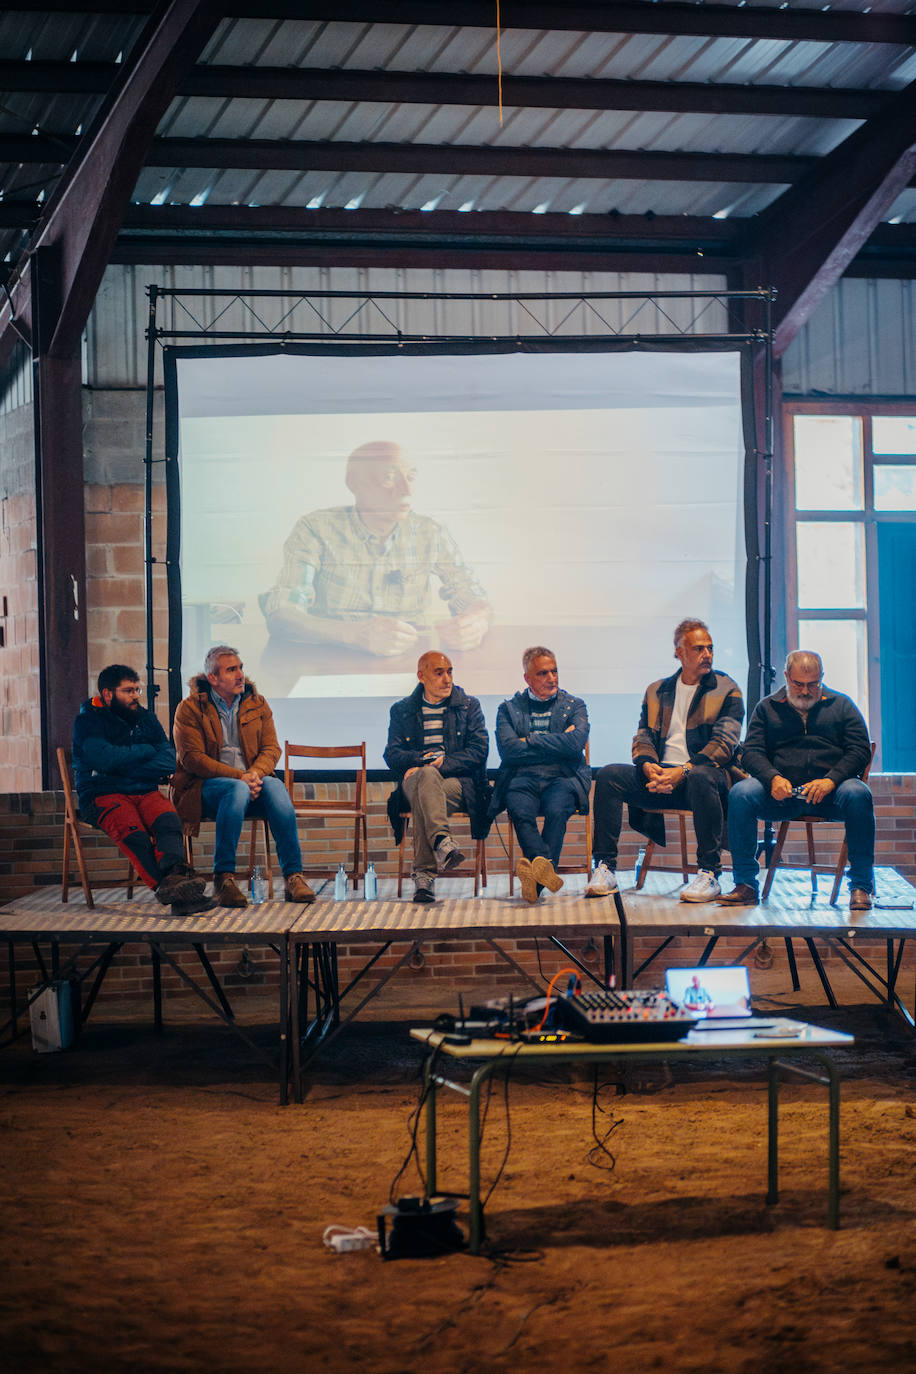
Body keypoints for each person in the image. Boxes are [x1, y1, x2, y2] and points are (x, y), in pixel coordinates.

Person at [260, 440, 491, 657]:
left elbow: (471, 592)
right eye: (389, 478)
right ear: (353, 483)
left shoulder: (431, 532)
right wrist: (354, 634)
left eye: (410, 477)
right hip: (331, 657)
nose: (406, 491)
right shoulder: (316, 529)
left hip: (409, 660)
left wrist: (477, 620)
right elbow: (282, 615)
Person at [585, 619, 744, 903]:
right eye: (698, 648)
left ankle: (709, 872)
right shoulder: (657, 690)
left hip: (703, 776)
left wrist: (682, 771)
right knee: (609, 775)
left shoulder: (726, 688)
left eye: (710, 648)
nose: (707, 654)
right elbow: (643, 735)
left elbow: (724, 744)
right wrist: (648, 767)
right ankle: (605, 867)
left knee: (700, 776)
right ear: (679, 652)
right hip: (660, 776)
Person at [718, 650, 875, 909]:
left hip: (830, 794)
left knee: (858, 793)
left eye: (813, 684)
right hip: (781, 794)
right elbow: (750, 752)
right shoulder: (767, 707)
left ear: (822, 678)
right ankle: (745, 884)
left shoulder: (842, 705)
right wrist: (772, 778)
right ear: (786, 677)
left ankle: (861, 887)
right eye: (798, 684)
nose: (805, 691)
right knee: (741, 793)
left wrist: (830, 781)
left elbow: (859, 750)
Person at [171, 646, 316, 908]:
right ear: (213, 678)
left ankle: (294, 877)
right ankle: (224, 878)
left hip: (252, 782)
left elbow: (271, 749)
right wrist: (241, 777)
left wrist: (253, 774)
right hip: (204, 788)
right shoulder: (190, 709)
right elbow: (193, 759)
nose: (240, 675)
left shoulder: (257, 703)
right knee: (235, 790)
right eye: (231, 670)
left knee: (276, 788)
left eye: (240, 668)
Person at [71, 665, 214, 915]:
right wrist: (145, 752)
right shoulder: (88, 721)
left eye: (136, 689)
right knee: (133, 832)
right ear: (107, 694)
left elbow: (168, 760)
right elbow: (103, 759)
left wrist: (122, 765)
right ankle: (169, 888)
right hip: (102, 793)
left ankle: (176, 879)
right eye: (128, 690)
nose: (136, 695)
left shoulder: (145, 717)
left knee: (169, 821)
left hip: (143, 791)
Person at [384, 651, 491, 903]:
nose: (447, 679)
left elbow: (479, 751)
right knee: (426, 778)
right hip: (413, 781)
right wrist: (421, 763)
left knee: (427, 788)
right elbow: (392, 753)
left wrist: (442, 764)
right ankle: (442, 840)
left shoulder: (468, 705)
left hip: (457, 783)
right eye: (439, 672)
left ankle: (424, 877)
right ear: (421, 676)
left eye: (450, 671)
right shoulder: (401, 710)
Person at [492, 646, 590, 904]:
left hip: (562, 776)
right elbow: (509, 750)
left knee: (558, 810)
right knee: (520, 811)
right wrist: (556, 742)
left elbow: (575, 743)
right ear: (528, 679)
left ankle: (535, 881)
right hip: (521, 777)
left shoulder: (574, 705)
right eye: (543, 673)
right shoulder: (509, 709)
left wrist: (531, 740)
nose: (552, 678)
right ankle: (545, 869)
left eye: (554, 671)